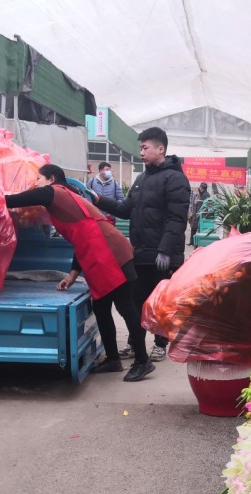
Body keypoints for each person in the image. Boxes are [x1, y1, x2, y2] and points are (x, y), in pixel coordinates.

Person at [4, 164, 154, 382]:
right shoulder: (67, 198)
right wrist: (73, 274)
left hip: (111, 252)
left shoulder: (54, 192)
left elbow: (23, 198)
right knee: (101, 307)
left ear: (51, 179)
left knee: (125, 307)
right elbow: (81, 237)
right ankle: (113, 358)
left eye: (39, 178)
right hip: (99, 250)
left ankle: (143, 360)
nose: (36, 183)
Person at [93, 127, 190, 363]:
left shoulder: (176, 179)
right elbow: (126, 209)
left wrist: (166, 250)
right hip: (141, 253)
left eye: (145, 147)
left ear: (161, 149)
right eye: (141, 148)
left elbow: (176, 219)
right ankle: (136, 343)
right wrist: (98, 200)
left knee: (161, 304)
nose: (142, 152)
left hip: (163, 255)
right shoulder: (141, 179)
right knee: (136, 301)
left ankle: (160, 344)